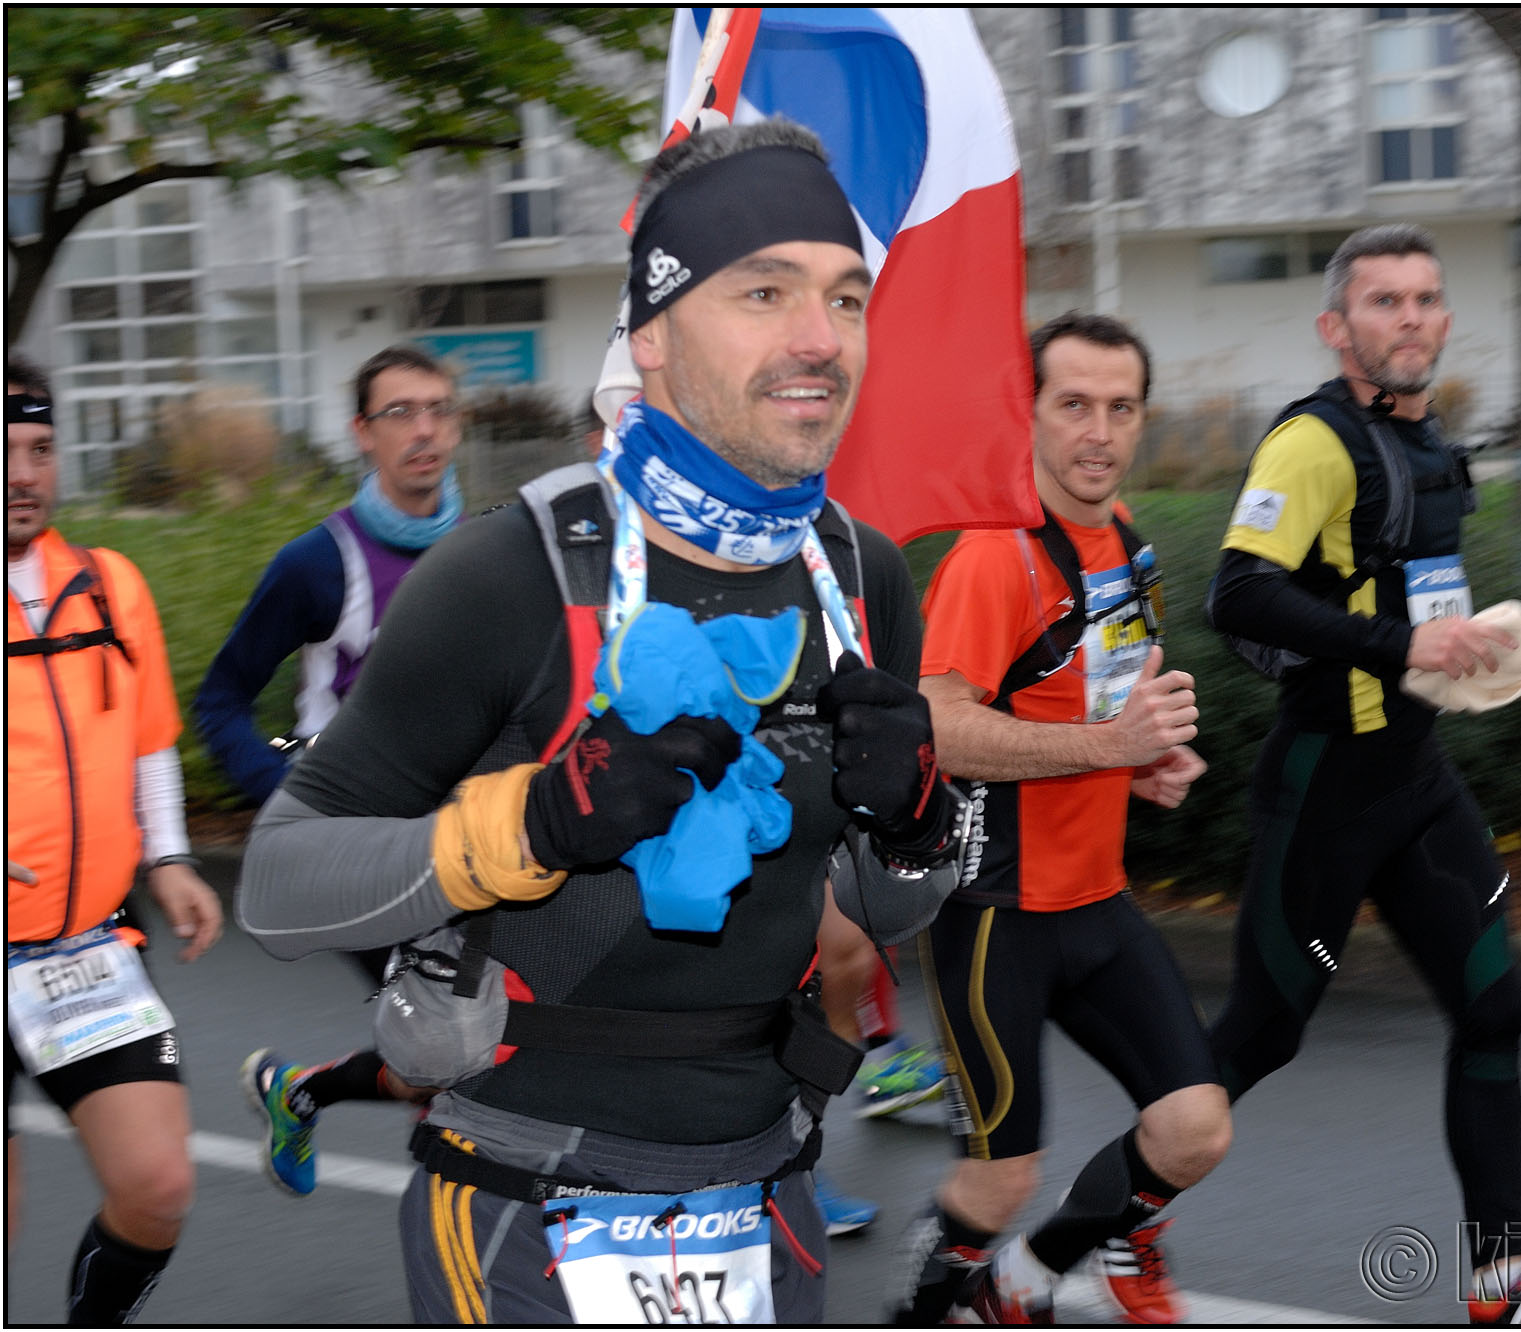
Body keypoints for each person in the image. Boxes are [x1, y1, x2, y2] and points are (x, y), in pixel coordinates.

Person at [237, 119, 961, 1325]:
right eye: (764, 291)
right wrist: (526, 824)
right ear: (655, 337)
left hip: (767, 1187)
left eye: (844, 297)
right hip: (531, 1193)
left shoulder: (862, 576)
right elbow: (280, 882)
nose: (816, 339)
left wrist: (923, 828)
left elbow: (881, 908)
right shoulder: (512, 574)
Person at [1203, 224, 1521, 1325]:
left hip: (1415, 783)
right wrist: (1402, 647)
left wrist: (1461, 647)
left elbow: (1409, 592)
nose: (1409, 318)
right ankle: (1075, 1235)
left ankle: (1502, 1283)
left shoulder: (1425, 441)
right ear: (1335, 326)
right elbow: (1238, 597)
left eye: (1425, 299)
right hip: (1325, 786)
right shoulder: (1311, 444)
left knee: (1495, 1011)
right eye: (1384, 301)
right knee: (1257, 1039)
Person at [889, 313, 1232, 1325]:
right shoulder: (996, 558)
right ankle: (927, 1297)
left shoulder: (1125, 540)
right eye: (1073, 405)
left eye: (1120, 408)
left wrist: (1141, 764)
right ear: (1027, 414)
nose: (1098, 432)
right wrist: (1109, 749)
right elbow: (941, 733)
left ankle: (1018, 1284)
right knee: (999, 1181)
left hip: (1098, 900)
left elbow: (1080, 709)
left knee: (1193, 1130)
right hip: (997, 911)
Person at [193, 344, 464, 1197]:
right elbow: (222, 700)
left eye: (439, 411)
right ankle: (468, 1252)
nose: (424, 431)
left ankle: (300, 1089)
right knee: (455, 1059)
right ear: (362, 435)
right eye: (400, 414)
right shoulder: (317, 564)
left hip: (469, 842)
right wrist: (292, 803)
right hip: (356, 856)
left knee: (466, 1053)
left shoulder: (492, 550)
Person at [6, 352, 225, 1323]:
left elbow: (149, 744)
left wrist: (170, 857)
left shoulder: (109, 586)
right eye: (6, 450)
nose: (24, 472)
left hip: (84, 948)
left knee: (158, 1185)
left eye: (40, 449)